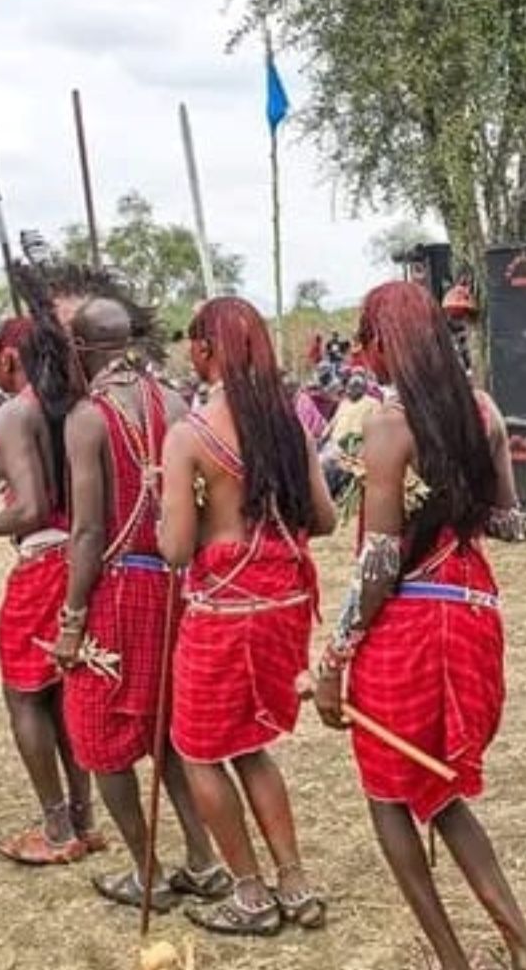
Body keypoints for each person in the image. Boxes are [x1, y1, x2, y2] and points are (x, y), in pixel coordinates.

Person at [311, 281, 526, 970]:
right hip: (475, 615)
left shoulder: (391, 426)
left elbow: (381, 560)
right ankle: (524, 949)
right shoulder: (483, 410)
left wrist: (334, 659)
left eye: (366, 341)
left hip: (411, 627)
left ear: (385, 342)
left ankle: (453, 959)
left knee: (390, 795)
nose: (363, 355)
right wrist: (461, 499)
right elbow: (512, 524)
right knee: (442, 791)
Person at [159, 296, 337, 936]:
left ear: (206, 352)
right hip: (284, 609)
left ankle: (251, 894)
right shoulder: (288, 424)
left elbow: (177, 549)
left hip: (225, 614)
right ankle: (295, 883)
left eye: (192, 345)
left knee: (200, 752)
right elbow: (324, 519)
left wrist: (170, 505)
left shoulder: (192, 435)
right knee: (251, 747)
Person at [55, 295, 226, 909]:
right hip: (174, 584)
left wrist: (73, 618)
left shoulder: (88, 417)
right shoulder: (176, 403)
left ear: (82, 349)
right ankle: (204, 862)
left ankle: (147, 871)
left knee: (98, 734)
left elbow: (87, 531)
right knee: (168, 730)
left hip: (120, 587)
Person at [0, 313, 101, 865]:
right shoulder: (77, 405)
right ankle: (83, 818)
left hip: (43, 561)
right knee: (61, 691)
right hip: (82, 557)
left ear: (9, 358)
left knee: (24, 695)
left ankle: (58, 827)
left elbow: (32, 506)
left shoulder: (19, 412)